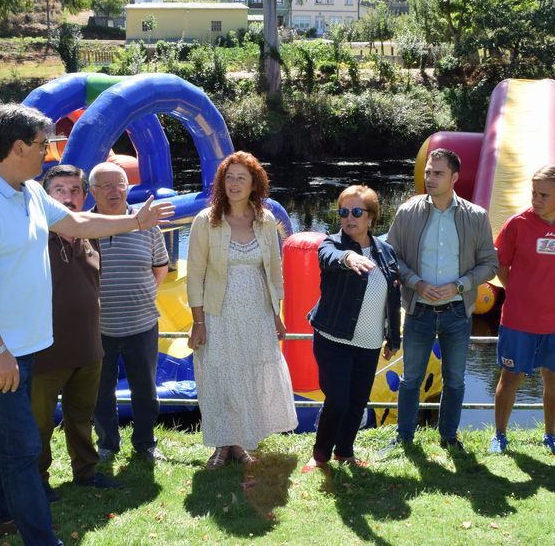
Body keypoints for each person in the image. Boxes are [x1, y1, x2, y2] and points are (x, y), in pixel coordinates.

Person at [0, 103, 173, 543]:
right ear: (18, 147)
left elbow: (77, 221)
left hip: (19, 346)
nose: (49, 154)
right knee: (23, 446)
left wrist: (136, 221)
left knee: (1, 437)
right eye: (43, 144)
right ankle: (40, 537)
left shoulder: (25, 190)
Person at [186, 151, 298, 469]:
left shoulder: (264, 222)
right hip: (218, 312)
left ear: (254, 184)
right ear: (222, 182)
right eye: (229, 177)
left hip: (257, 313)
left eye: (241, 178)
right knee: (220, 376)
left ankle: (241, 442)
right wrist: (198, 320)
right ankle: (222, 445)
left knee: (249, 373)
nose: (234, 183)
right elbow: (194, 274)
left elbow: (273, 271)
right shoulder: (205, 221)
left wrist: (277, 315)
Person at [385, 148, 498, 452]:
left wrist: (460, 285)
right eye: (428, 172)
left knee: (455, 380)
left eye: (438, 173)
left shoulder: (476, 216)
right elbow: (391, 257)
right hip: (418, 310)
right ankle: (404, 438)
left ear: (455, 177)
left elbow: (490, 263)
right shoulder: (407, 212)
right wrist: (416, 283)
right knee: (411, 379)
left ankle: (448, 437)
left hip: (457, 313)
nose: (430, 178)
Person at [488, 165, 555, 456]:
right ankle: (499, 435)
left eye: (544, 194)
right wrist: (520, 292)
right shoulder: (517, 224)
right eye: (534, 193)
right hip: (518, 318)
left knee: (554, 378)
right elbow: (501, 267)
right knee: (509, 377)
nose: (536, 199)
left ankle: (550, 435)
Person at [30, 165, 119, 506]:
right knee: (38, 424)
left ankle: (86, 472)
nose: (68, 197)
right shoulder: (34, 236)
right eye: (59, 190)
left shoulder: (89, 233)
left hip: (88, 347)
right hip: (45, 351)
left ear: (84, 196)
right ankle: (37, 480)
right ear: (46, 196)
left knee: (81, 417)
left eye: (75, 190)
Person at [302, 185, 401, 473]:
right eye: (343, 212)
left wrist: (393, 338)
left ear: (371, 217)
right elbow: (328, 258)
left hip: (369, 344)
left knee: (357, 402)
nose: (349, 218)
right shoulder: (331, 244)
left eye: (357, 212)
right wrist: (348, 258)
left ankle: (344, 452)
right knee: (338, 401)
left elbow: (392, 298)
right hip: (333, 339)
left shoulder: (387, 252)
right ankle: (320, 456)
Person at [90, 162, 170, 463]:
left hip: (142, 324)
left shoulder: (148, 226)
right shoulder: (83, 226)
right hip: (98, 329)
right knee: (100, 392)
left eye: (120, 184)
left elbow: (160, 269)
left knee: (146, 391)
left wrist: (139, 294)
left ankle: (146, 443)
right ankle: (108, 444)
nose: (115, 191)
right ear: (93, 192)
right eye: (106, 186)